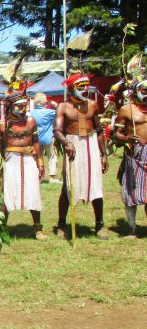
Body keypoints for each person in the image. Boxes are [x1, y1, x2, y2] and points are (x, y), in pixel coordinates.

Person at [53, 73, 109, 239]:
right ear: (71, 88)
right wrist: (67, 143)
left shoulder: (92, 105)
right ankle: (62, 224)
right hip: (73, 145)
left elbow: (99, 131)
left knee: (96, 185)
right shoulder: (63, 107)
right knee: (68, 186)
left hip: (91, 144)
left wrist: (103, 154)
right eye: (80, 87)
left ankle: (99, 224)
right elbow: (57, 130)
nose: (85, 89)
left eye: (86, 86)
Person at [0, 90, 47, 240]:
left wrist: (40, 163)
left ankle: (38, 227)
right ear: (10, 105)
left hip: (29, 161)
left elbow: (36, 143)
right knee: (8, 194)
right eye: (19, 106)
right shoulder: (2, 123)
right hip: (11, 161)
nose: (23, 108)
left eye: (24, 105)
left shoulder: (31, 121)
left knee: (33, 192)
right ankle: (2, 228)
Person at [114, 75, 147, 237]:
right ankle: (132, 227)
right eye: (144, 91)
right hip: (134, 154)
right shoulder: (126, 110)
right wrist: (127, 138)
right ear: (136, 91)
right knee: (131, 192)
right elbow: (116, 135)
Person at [31, 92, 60, 182]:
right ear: (44, 102)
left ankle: (37, 177)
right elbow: (60, 112)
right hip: (48, 138)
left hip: (36, 139)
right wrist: (56, 105)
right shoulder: (48, 112)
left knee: (37, 157)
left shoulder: (32, 113)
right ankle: (52, 177)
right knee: (52, 157)